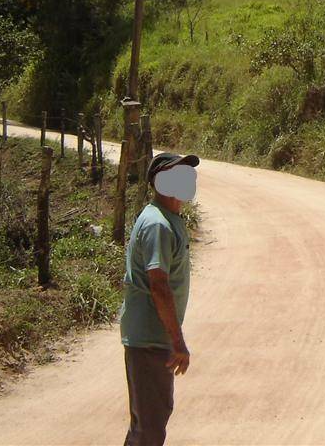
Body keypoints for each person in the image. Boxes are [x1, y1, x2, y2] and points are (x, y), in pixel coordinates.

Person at [120, 152, 199, 446]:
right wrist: (177, 341)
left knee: (150, 421)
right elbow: (159, 284)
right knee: (150, 427)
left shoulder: (168, 219)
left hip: (154, 337)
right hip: (150, 338)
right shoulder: (158, 225)